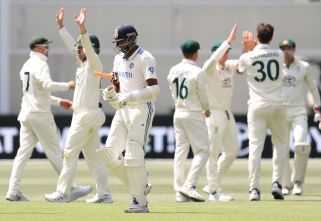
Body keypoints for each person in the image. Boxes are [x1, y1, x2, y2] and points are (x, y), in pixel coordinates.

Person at [6, 36, 92, 201]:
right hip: (40, 115)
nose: (47, 49)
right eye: (45, 47)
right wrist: (68, 85)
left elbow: (37, 93)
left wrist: (59, 102)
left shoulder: (26, 65)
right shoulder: (41, 64)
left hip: (27, 114)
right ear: (37, 48)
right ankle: (70, 187)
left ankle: (13, 191)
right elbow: (46, 86)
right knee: (56, 153)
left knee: (22, 155)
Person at [45, 8, 111, 203]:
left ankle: (63, 193)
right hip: (86, 115)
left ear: (91, 48)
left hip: (87, 115)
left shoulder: (94, 64)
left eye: (81, 47)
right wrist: (61, 27)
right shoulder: (82, 65)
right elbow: (70, 45)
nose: (78, 49)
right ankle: (104, 194)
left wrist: (82, 29)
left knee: (69, 152)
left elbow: (87, 49)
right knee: (92, 158)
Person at [98, 24, 160, 213]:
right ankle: (141, 187)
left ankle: (139, 203)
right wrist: (110, 93)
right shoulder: (118, 58)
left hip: (141, 109)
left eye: (122, 41)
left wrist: (129, 96)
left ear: (132, 38)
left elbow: (155, 90)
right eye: (117, 41)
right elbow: (116, 85)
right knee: (107, 154)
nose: (119, 45)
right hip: (123, 110)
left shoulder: (145, 57)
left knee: (133, 157)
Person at [238, 23, 289, 201]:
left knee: (255, 148)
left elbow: (238, 69)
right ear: (272, 37)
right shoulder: (280, 54)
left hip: (257, 106)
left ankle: (254, 189)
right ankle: (277, 183)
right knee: (281, 145)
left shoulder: (249, 56)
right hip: (278, 105)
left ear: (257, 37)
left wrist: (247, 48)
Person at [273, 39, 321, 196]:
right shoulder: (275, 67)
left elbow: (313, 88)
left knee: (302, 145)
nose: (286, 51)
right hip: (281, 112)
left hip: (298, 112)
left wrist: (318, 109)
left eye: (289, 48)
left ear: (294, 50)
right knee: (281, 148)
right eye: (283, 48)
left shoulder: (304, 67)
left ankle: (298, 182)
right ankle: (285, 184)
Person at [167, 39, 211, 203]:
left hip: (178, 112)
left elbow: (172, 90)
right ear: (195, 53)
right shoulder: (198, 71)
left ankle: (179, 191)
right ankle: (189, 185)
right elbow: (203, 94)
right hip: (193, 114)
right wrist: (206, 109)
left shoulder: (173, 69)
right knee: (203, 151)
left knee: (180, 151)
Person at [201, 25, 239, 202]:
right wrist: (228, 40)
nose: (227, 54)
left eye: (228, 51)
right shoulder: (210, 69)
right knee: (214, 152)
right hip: (214, 114)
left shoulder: (229, 66)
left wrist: (249, 50)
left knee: (231, 152)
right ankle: (214, 192)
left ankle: (211, 184)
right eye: (224, 51)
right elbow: (211, 61)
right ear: (216, 53)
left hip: (227, 113)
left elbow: (242, 66)